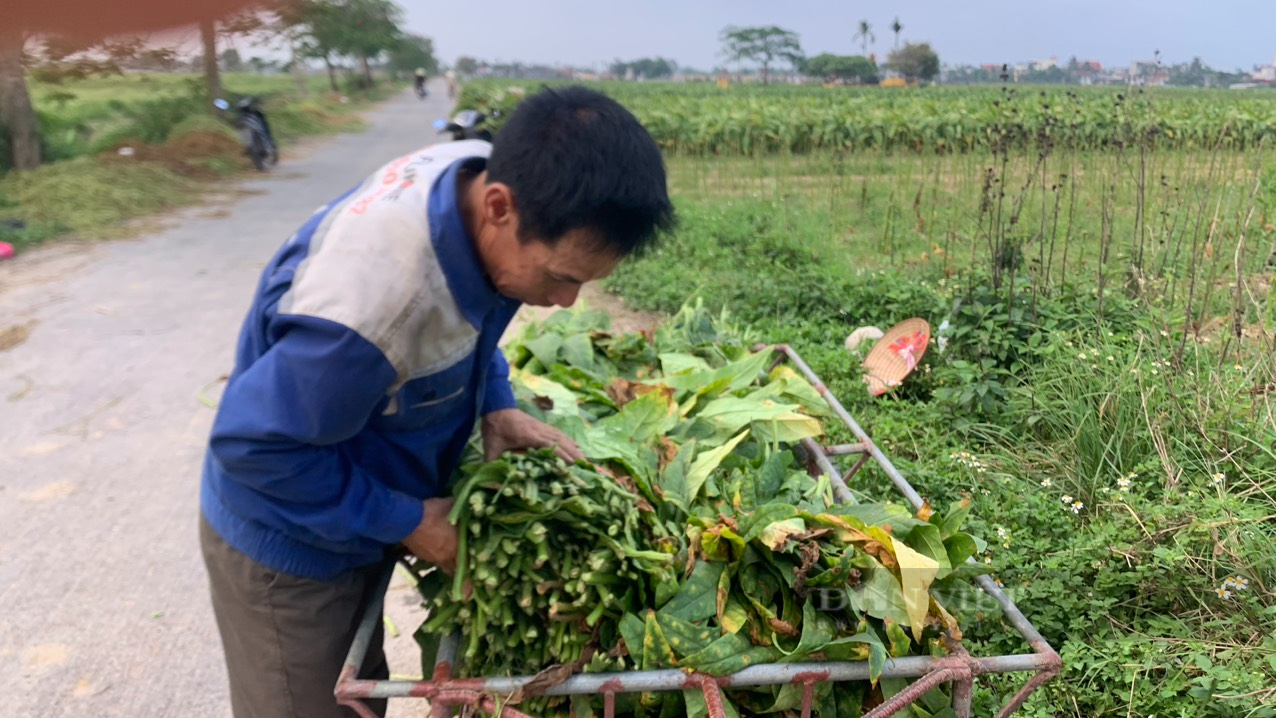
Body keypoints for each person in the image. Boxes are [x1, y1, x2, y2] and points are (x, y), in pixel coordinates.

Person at [199, 85, 674, 718]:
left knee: (359, 691)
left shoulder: (477, 174)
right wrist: (409, 521)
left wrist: (495, 401)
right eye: (562, 277)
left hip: (356, 495)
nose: (565, 302)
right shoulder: (370, 310)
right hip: (290, 543)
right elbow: (254, 448)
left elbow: (472, 317)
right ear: (499, 208)